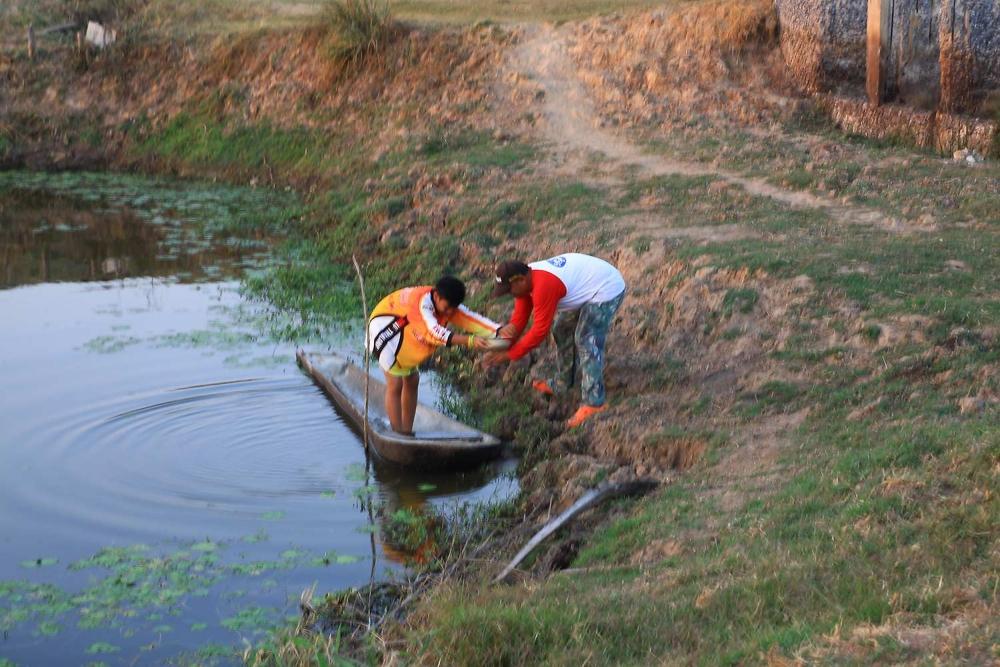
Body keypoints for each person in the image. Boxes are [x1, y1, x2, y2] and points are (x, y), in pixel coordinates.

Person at [485, 253, 626, 428]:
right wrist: (500, 346)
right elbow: (518, 321)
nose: (510, 295)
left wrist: (510, 354)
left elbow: (539, 332)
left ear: (520, 280)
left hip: (606, 289)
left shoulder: (543, 286)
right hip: (587, 287)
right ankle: (563, 382)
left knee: (585, 339)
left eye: (509, 290)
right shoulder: (526, 283)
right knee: (561, 328)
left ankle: (594, 403)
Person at [368, 275, 499, 435]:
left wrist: (498, 331)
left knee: (412, 380)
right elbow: (434, 333)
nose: (450, 312)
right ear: (436, 296)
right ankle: (398, 433)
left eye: (453, 308)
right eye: (447, 308)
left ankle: (407, 430)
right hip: (385, 333)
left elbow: (470, 319)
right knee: (395, 384)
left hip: (406, 335)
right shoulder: (420, 306)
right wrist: (469, 340)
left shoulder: (446, 302)